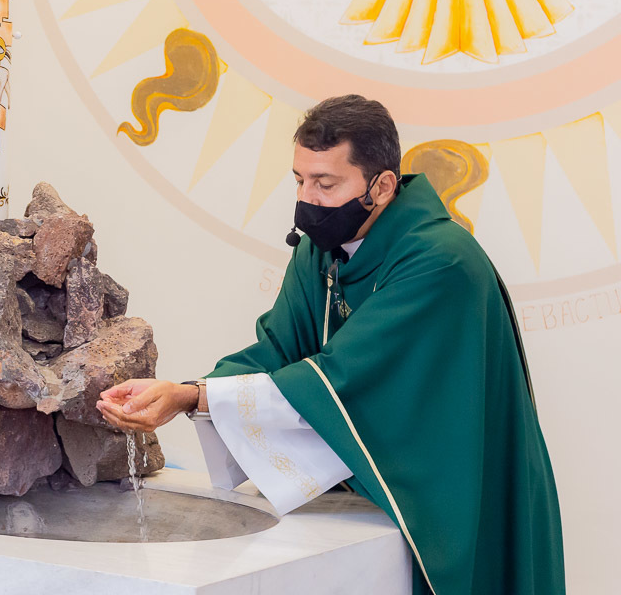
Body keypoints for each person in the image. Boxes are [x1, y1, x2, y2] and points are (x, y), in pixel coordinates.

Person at [98, 95, 564, 595]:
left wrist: (194, 397)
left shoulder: (441, 262)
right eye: (299, 180)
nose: (308, 200)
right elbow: (278, 351)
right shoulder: (320, 252)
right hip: (380, 493)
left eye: (326, 183)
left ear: (382, 186)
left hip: (456, 483)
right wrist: (184, 390)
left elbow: (343, 378)